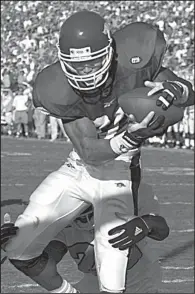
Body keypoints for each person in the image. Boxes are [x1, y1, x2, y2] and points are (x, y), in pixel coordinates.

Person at [2, 10, 194, 294]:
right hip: (79, 165)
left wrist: (178, 90)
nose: (85, 73)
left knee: (111, 259)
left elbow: (185, 91)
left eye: (92, 63)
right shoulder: (56, 88)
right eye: (77, 66)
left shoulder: (135, 63)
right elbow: (89, 151)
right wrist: (127, 138)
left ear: (109, 52)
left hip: (119, 170)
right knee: (19, 249)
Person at [1, 183, 169, 293]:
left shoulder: (126, 196)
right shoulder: (64, 223)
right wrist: (20, 247)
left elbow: (162, 230)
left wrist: (146, 223)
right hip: (95, 284)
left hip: (142, 283)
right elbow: (47, 260)